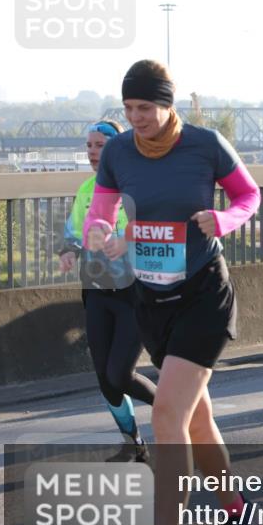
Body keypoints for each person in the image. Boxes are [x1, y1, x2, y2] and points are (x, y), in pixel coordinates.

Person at [85, 59, 261, 525]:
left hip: (204, 298)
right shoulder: (118, 152)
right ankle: (237, 507)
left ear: (168, 104)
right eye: (129, 108)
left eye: (146, 107)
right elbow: (101, 210)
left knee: (166, 414)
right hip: (151, 301)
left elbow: (249, 196)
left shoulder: (205, 145)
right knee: (196, 422)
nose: (136, 117)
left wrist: (224, 219)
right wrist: (102, 231)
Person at [59, 120, 156, 462]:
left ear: (118, 149)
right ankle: (134, 444)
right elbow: (73, 232)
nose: (92, 152)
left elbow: (155, 230)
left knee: (121, 374)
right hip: (98, 292)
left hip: (134, 294)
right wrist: (69, 251)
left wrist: (126, 241)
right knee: (105, 379)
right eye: (89, 146)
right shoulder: (88, 188)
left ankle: (177, 409)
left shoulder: (137, 187)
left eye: (100, 145)